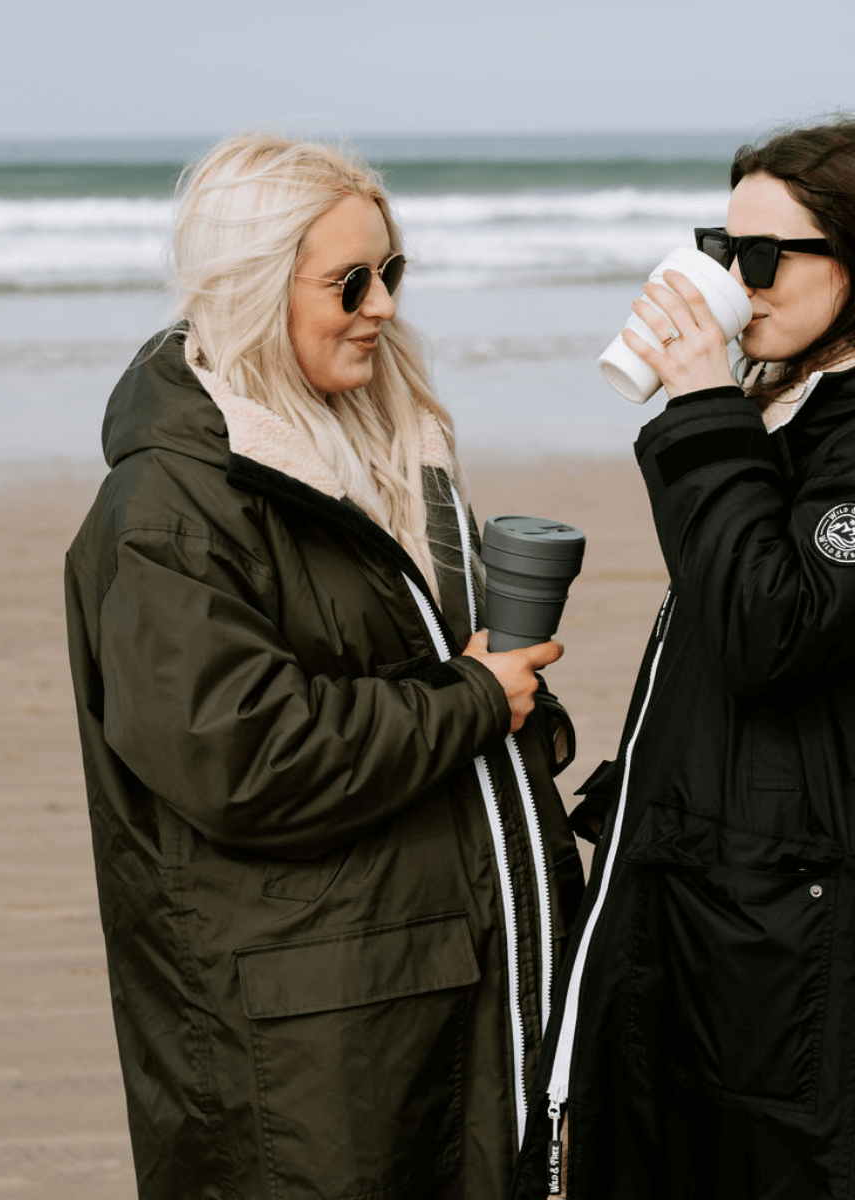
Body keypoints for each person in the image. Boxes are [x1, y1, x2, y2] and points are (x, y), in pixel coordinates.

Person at [511, 119, 855, 1199]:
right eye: (724, 249)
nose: (739, 281)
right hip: (772, 925)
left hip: (824, 940)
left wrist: (701, 403)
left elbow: (775, 624)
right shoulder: (816, 406)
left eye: (766, 257)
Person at [64, 133, 585, 1200]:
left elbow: (441, 686)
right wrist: (476, 699)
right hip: (316, 1046)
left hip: (438, 997)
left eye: (392, 273)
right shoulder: (169, 509)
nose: (383, 306)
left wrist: (515, 706)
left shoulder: (389, 460)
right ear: (254, 286)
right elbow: (244, 757)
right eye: (350, 280)